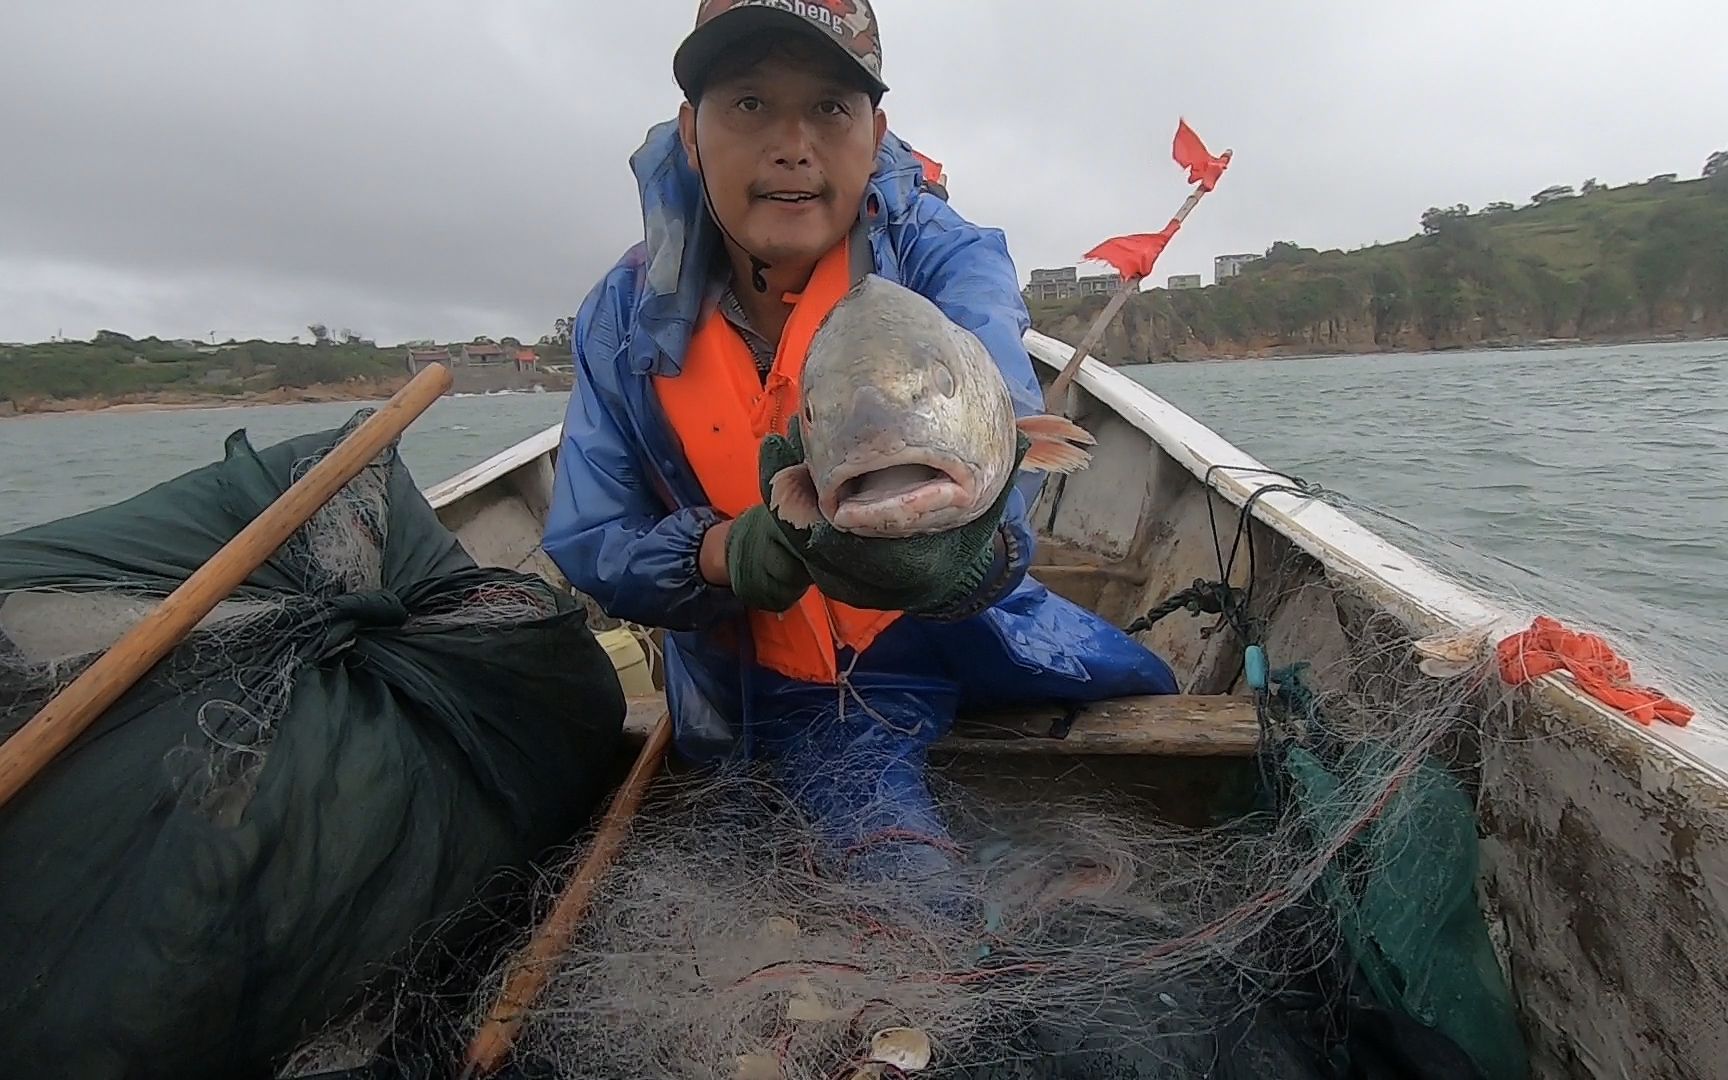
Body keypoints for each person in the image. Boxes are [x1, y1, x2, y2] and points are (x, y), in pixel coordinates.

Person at [543, 0, 1178, 882]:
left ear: (876, 132)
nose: (793, 143)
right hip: (772, 685)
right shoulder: (618, 319)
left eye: (831, 108)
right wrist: (726, 555)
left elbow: (998, 405)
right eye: (750, 105)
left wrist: (977, 546)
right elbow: (588, 534)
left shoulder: (945, 258)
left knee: (1153, 697)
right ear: (690, 133)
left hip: (984, 628)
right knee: (898, 885)